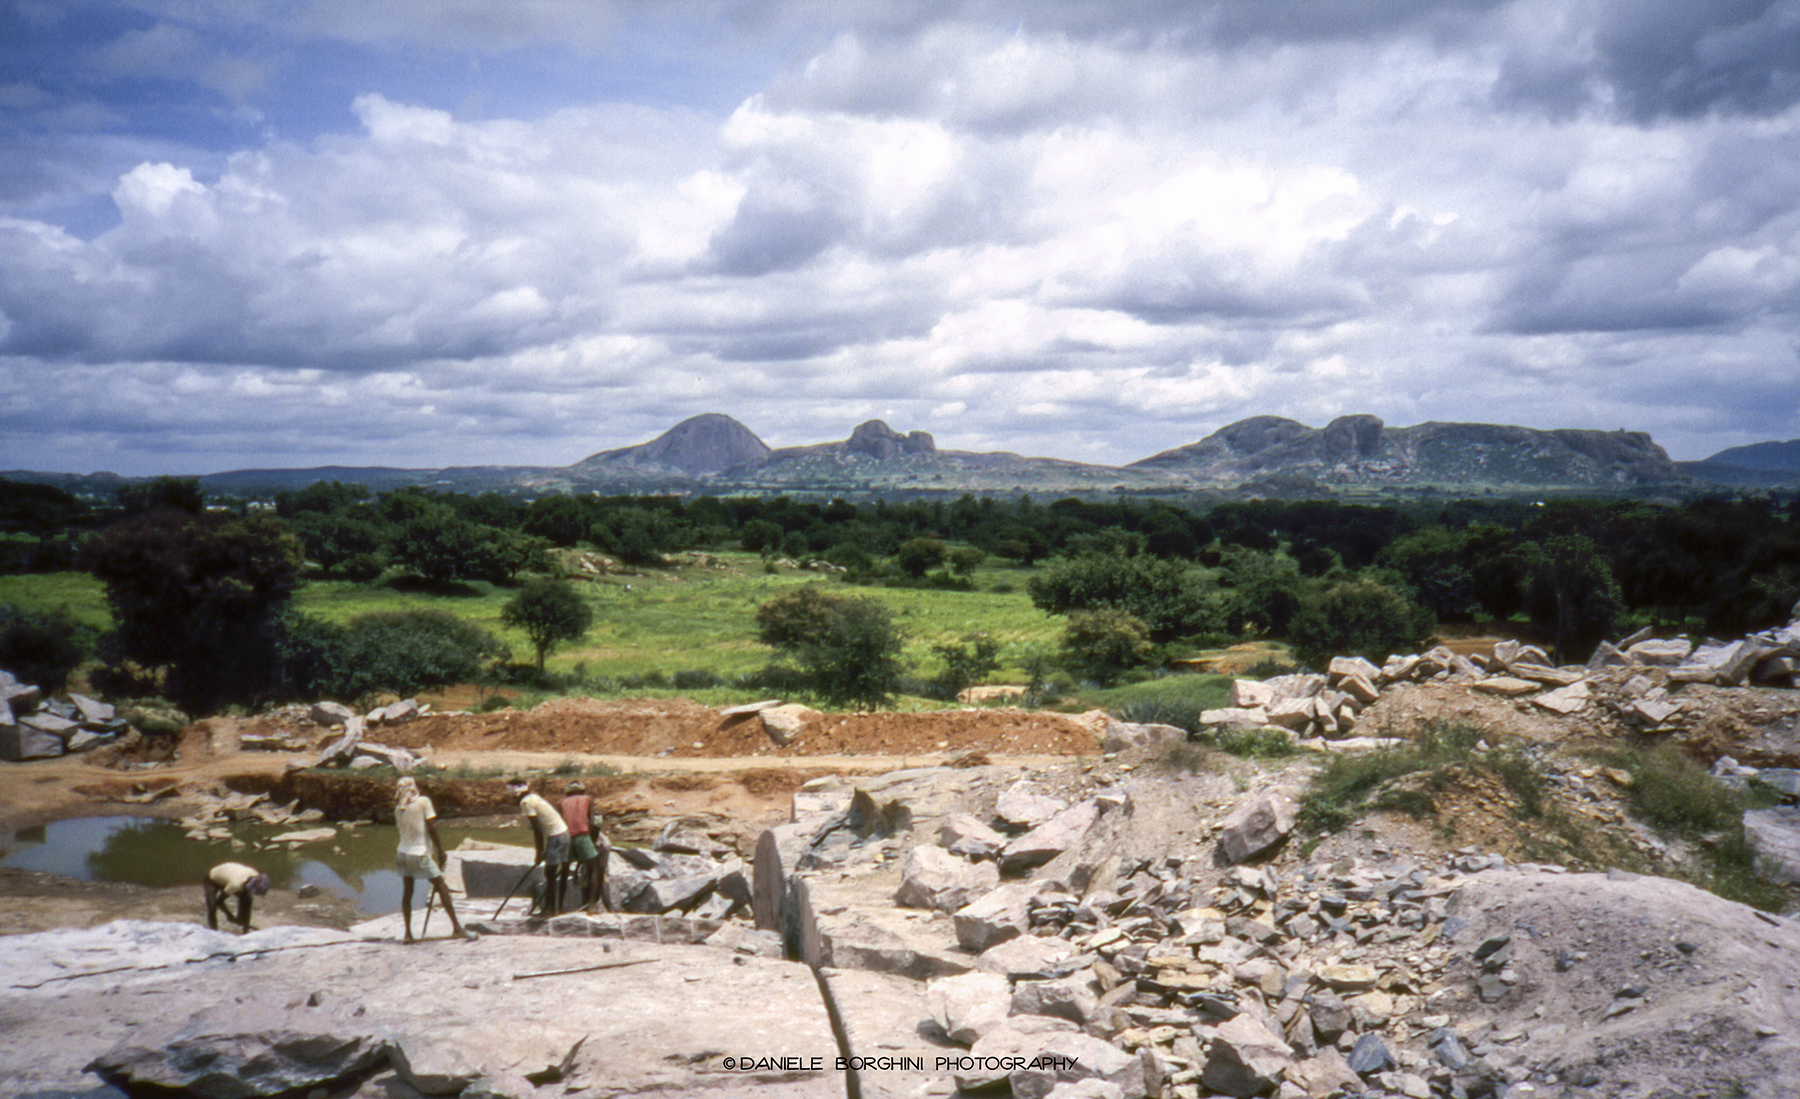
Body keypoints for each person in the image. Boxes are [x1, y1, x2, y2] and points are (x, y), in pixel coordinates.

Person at [394, 776, 477, 943]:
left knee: (407, 892)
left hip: (402, 853)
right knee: (442, 887)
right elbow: (431, 828)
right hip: (419, 854)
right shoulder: (423, 802)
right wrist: (441, 851)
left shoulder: (398, 808)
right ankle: (457, 928)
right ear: (414, 788)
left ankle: (408, 934)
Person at [510, 778, 571, 915]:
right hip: (564, 833)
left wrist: (539, 852)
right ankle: (556, 908)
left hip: (556, 837)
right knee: (553, 873)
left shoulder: (525, 802)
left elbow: (537, 830)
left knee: (549, 874)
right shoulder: (534, 796)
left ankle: (549, 910)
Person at [560, 780, 609, 912]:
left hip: (568, 837)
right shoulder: (588, 799)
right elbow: (593, 823)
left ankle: (558, 906)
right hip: (583, 836)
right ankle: (592, 905)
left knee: (564, 871)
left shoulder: (563, 802)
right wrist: (591, 842)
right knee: (593, 869)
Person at [204, 861, 270, 933]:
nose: (253, 893)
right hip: (212, 879)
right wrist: (229, 915)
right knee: (212, 905)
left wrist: (241, 920)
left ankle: (245, 931)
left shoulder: (255, 875)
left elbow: (246, 899)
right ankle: (214, 931)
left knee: (247, 899)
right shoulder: (236, 884)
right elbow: (219, 901)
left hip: (230, 877)